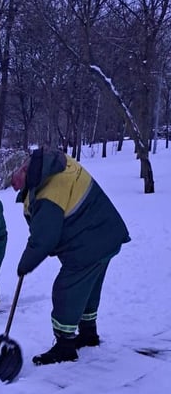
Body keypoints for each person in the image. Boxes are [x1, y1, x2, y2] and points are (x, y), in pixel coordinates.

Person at [12, 148, 131, 365]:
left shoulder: (49, 194)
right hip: (104, 233)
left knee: (67, 289)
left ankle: (65, 347)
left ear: (25, 168)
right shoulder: (54, 165)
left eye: (15, 178)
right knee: (88, 287)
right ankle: (88, 334)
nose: (14, 185)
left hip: (89, 242)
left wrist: (24, 264)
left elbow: (44, 238)